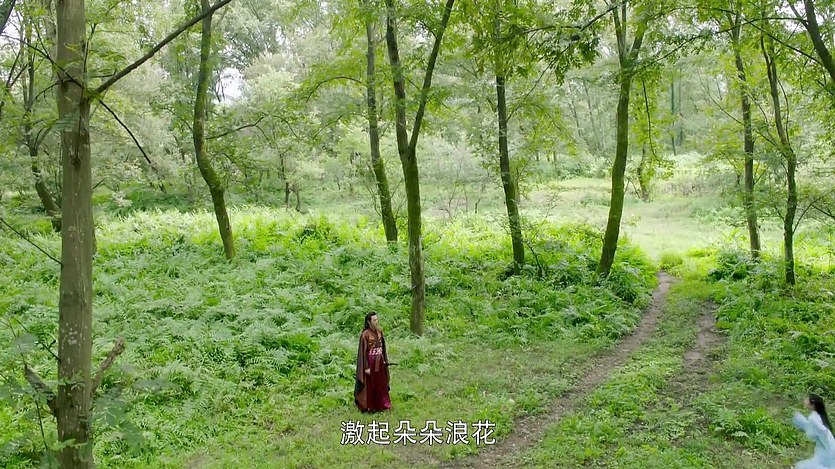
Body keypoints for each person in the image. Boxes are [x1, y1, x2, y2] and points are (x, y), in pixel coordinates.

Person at [354, 312, 391, 413]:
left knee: (381, 383)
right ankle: (371, 406)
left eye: (377, 319)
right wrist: (366, 367)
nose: (376, 322)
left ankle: (383, 404)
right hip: (370, 362)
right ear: (368, 322)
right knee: (371, 384)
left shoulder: (379, 331)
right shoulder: (365, 335)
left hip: (380, 361)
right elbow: (363, 352)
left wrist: (384, 360)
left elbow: (383, 347)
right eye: (374, 320)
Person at [792, 393, 835, 469]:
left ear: (812, 404)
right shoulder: (817, 415)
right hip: (826, 447)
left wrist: (801, 422)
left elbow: (817, 431)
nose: (805, 400)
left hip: (826, 449)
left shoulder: (813, 418)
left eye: (807, 399)